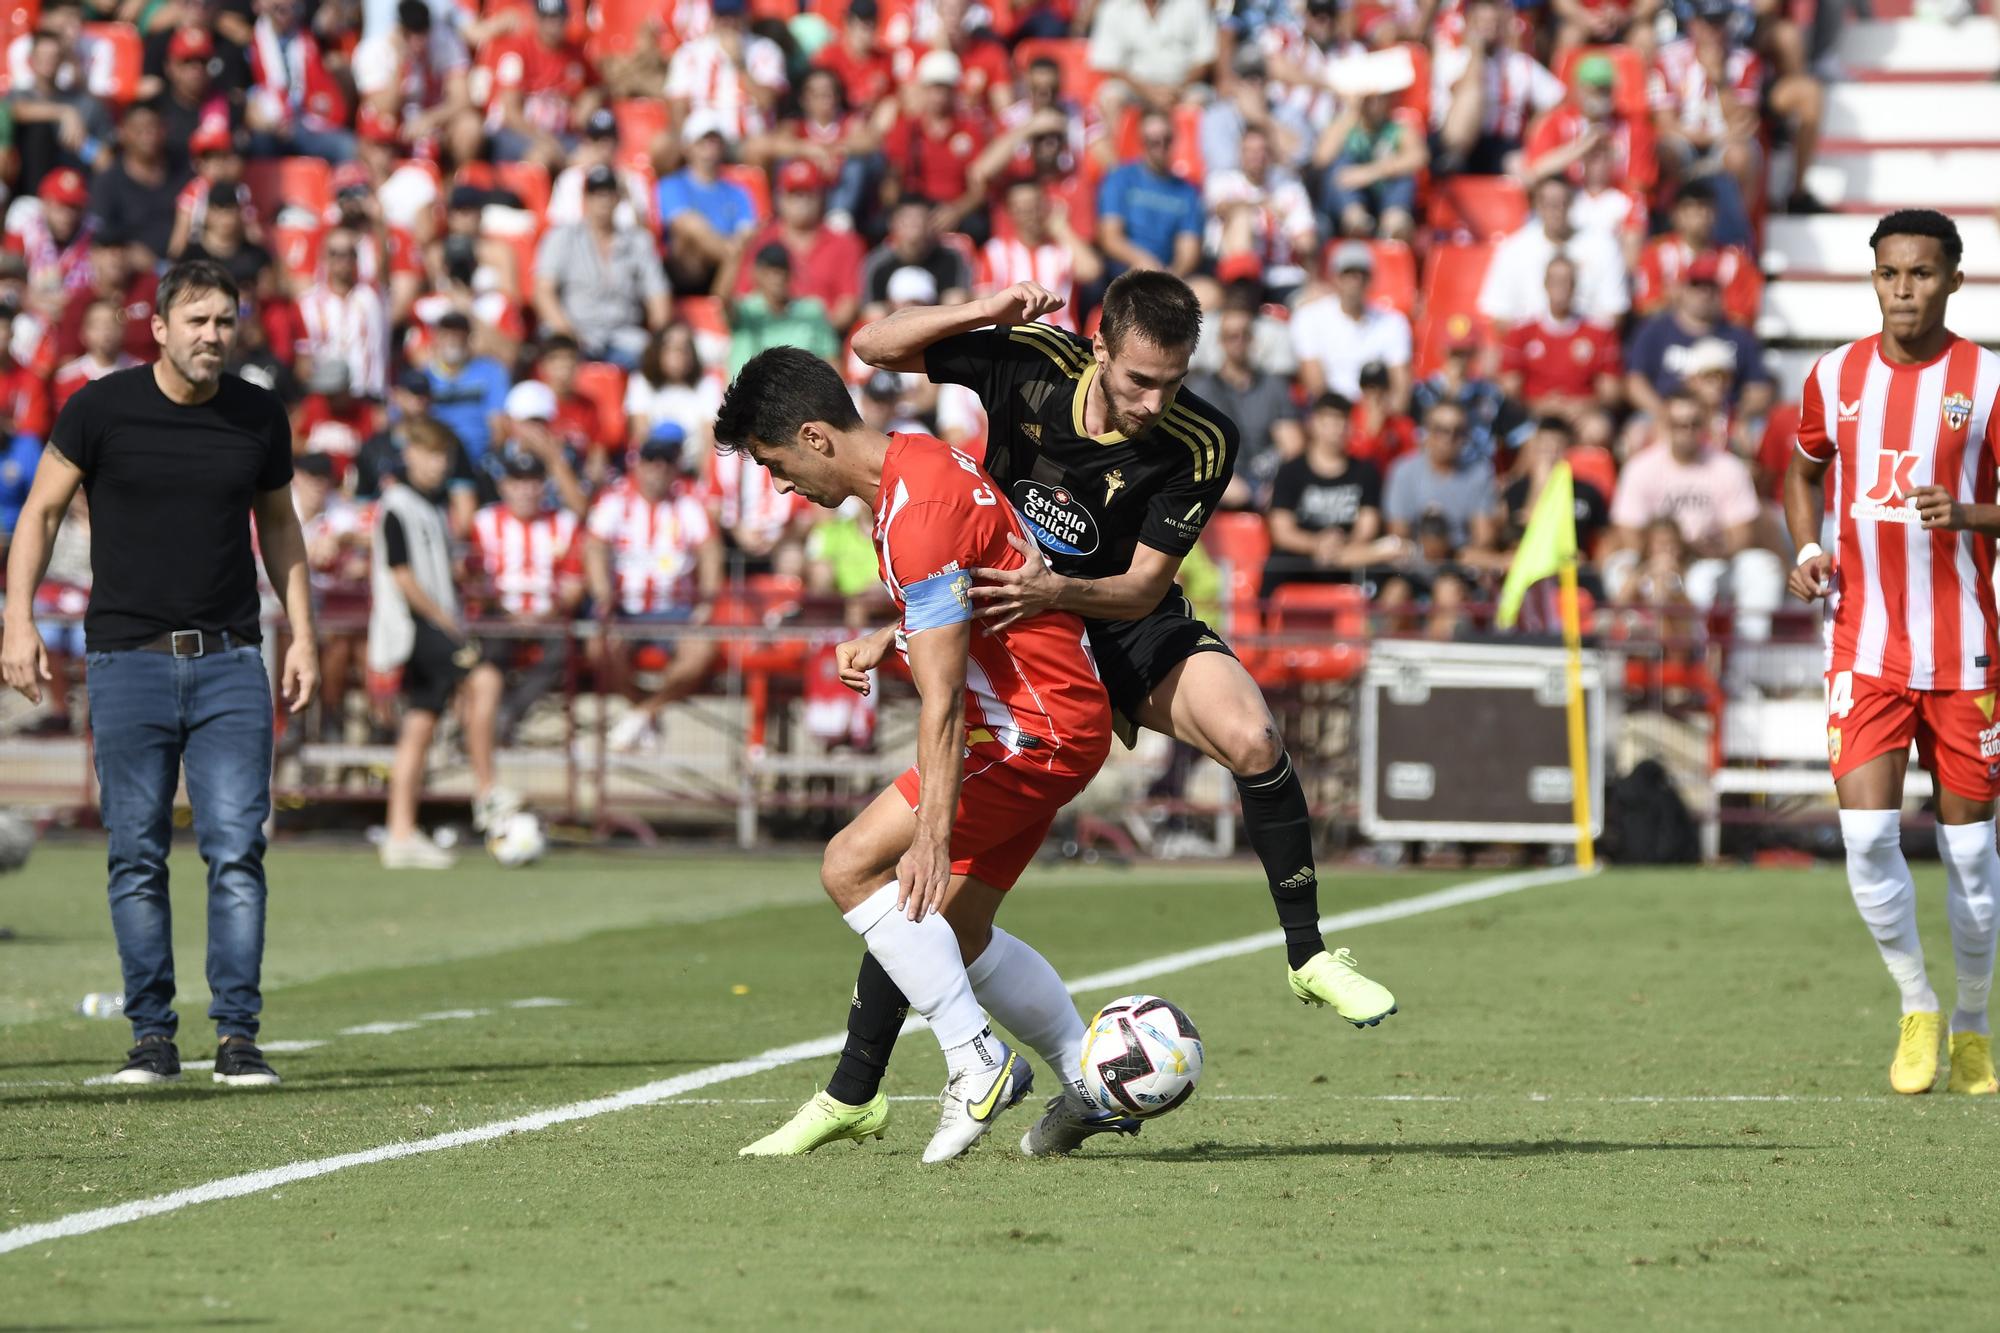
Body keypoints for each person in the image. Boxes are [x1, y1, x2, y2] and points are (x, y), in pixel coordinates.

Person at [826, 271, 1398, 1146]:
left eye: (1171, 383)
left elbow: (1138, 587)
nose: (1153, 402)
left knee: (1253, 734)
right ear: (1099, 348)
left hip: (1111, 615)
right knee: (941, 894)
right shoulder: (1030, 363)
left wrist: (1052, 585)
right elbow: (872, 345)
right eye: (1137, 381)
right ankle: (876, 1086)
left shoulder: (1204, 438)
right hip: (1015, 628)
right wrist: (985, 311)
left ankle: (1309, 953)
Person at [723, 347, 1117, 1163]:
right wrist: (889, 635)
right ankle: (1093, 1079)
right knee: (961, 930)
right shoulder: (918, 461)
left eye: (776, 464)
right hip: (1057, 719)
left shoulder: (913, 512)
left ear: (813, 437)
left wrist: (931, 829)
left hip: (1028, 730)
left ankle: (974, 1059)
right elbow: (968, 591)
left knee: (849, 866)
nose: (782, 486)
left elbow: (941, 702)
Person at [0, 258, 317, 1086]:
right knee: (135, 854)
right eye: (199, 320)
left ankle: (238, 1035)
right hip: (125, 663)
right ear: (161, 327)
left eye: (225, 321)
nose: (214, 335)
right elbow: (37, 512)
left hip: (231, 664)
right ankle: (151, 1037)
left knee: (236, 850)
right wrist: (17, 619)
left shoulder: (257, 415)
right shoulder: (99, 409)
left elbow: (281, 530)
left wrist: (305, 635)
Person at [1785, 209, 2000, 1098]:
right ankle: (1916, 1004)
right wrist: (1806, 550)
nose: (1902, 289)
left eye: (1920, 273)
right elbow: (1801, 472)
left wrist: (1973, 515)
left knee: (1975, 870)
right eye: (1888, 274)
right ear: (1872, 279)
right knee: (1867, 840)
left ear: (1954, 279)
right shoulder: (1833, 375)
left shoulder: (1986, 381)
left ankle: (1974, 1022)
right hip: (1864, 649)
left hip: (1966, 657)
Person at [370, 419, 492, 868]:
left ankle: (400, 832)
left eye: (444, 456)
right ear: (412, 455)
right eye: (432, 454)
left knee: (418, 728)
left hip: (431, 627)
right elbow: (401, 574)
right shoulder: (397, 505)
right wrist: (444, 620)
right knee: (485, 678)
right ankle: (488, 790)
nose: (439, 465)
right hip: (417, 629)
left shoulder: (430, 507)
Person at [587, 424, 724, 753]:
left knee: (701, 652)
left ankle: (640, 714)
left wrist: (707, 598)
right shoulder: (614, 501)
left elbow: (710, 549)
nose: (658, 468)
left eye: (666, 460)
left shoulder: (688, 505)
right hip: (626, 607)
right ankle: (644, 712)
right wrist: (603, 595)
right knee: (598, 647)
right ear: (637, 463)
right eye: (651, 459)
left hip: (674, 608)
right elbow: (593, 546)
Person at [1607, 389, 1782, 636]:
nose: (1686, 431)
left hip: (1709, 558)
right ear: (1665, 425)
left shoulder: (1728, 467)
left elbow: (1742, 535)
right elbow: (1629, 534)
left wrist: (1711, 548)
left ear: (1705, 425)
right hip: (1653, 557)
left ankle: (1744, 660)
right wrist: (1663, 556)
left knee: (1760, 567)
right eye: (1678, 424)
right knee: (1618, 566)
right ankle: (1634, 650)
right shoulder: (1640, 468)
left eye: (1693, 423)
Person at [533, 164, 672, 369]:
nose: (603, 200)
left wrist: (658, 340)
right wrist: (567, 333)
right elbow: (544, 291)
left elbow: (657, 294)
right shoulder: (562, 236)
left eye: (609, 193)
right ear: (586, 198)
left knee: (658, 359)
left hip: (623, 335)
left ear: (618, 197)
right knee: (557, 354)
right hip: (574, 331)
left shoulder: (638, 241)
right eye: (597, 193)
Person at [1261, 393, 1399, 597]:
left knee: (1383, 576)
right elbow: (1282, 532)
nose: (1336, 429)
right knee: (1276, 565)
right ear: (1313, 424)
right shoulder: (1290, 471)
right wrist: (1317, 543)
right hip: (1302, 556)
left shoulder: (1366, 471)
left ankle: (1374, 628)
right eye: (1329, 421)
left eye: (1342, 421)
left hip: (1351, 554)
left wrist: (1341, 546)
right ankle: (1266, 624)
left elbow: (1368, 527)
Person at [1478, 175, 1630, 329]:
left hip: (1584, 345)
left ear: (1572, 203)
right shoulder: (1513, 250)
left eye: (1562, 203)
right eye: (1550, 204)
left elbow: (1614, 312)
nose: (1557, 211)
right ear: (1537, 206)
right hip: (1530, 347)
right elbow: (1500, 315)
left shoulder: (1603, 246)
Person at [1291, 240, 1412, 409]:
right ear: (1335, 277)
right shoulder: (1309, 318)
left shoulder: (1393, 322)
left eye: (1361, 274)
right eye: (1348, 273)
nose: (1355, 281)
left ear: (1370, 279)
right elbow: (1315, 384)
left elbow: (1401, 389)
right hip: (1332, 416)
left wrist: (1378, 416)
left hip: (1375, 415)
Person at [1095, 108, 1204, 278]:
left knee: (1211, 293)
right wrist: (1145, 262)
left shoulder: (1187, 191)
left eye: (1166, 140)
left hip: (1168, 276)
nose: (1160, 147)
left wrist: (1169, 278)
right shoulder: (1120, 178)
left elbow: (1188, 251)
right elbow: (1111, 238)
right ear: (1142, 142)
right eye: (1153, 141)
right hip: (1125, 271)